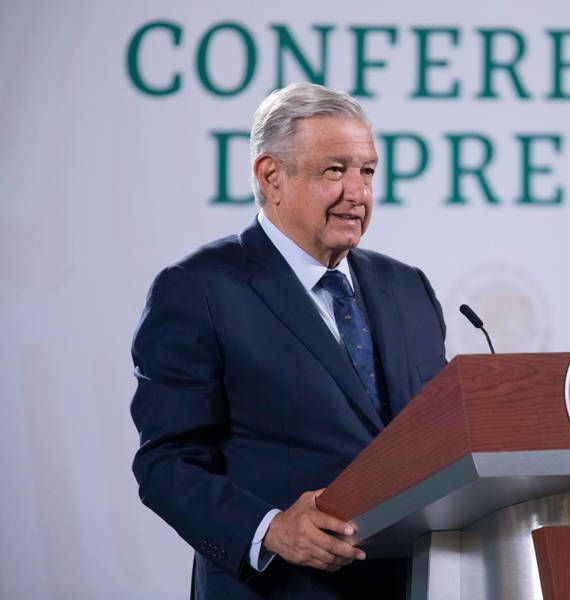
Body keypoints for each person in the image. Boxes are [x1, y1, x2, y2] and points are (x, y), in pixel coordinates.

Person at [130, 82, 447, 599]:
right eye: (335, 170)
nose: (357, 193)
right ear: (270, 176)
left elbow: (438, 438)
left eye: (367, 172)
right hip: (279, 587)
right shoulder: (198, 289)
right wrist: (270, 530)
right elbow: (166, 464)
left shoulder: (408, 288)